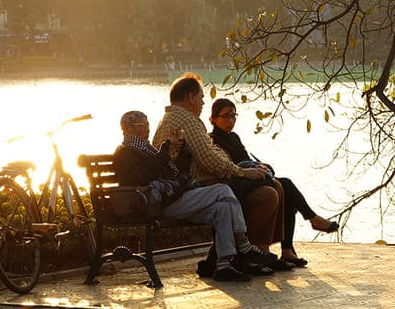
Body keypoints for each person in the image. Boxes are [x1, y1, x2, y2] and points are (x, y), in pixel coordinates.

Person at [113, 110, 276, 282]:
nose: (148, 128)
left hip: (172, 198)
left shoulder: (145, 149)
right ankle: (244, 245)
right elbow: (142, 177)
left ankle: (224, 266)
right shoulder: (126, 152)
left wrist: (182, 154)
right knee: (222, 190)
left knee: (223, 208)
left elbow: (167, 172)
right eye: (143, 125)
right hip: (159, 204)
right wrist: (162, 155)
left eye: (147, 123)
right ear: (129, 129)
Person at [151, 73, 285, 275]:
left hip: (178, 192)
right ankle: (246, 249)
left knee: (223, 208)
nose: (203, 102)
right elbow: (208, 158)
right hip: (178, 194)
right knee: (230, 190)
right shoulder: (187, 120)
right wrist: (241, 172)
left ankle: (224, 265)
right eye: (201, 97)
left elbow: (207, 155)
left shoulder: (168, 118)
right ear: (191, 97)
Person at [209, 98, 339, 268]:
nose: (231, 120)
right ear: (213, 119)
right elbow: (228, 168)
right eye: (226, 116)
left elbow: (245, 160)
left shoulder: (233, 137)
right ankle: (305, 225)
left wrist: (258, 166)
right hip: (239, 185)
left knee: (285, 185)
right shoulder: (213, 140)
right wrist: (250, 170)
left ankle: (287, 249)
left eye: (234, 116)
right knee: (281, 186)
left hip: (250, 178)